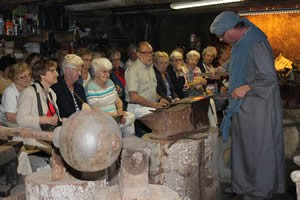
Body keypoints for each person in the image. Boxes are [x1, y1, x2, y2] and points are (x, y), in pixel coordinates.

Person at [210, 11, 285, 200]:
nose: (220, 39)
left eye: (221, 35)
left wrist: (247, 87)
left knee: (259, 151)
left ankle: (260, 191)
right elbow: (239, 59)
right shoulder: (240, 42)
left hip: (259, 107)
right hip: (244, 107)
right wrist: (222, 69)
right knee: (245, 150)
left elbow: (269, 79)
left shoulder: (256, 42)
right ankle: (246, 188)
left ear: (232, 29)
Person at [16, 59, 60, 174]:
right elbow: (21, 119)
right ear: (42, 75)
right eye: (53, 71)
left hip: (48, 137)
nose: (57, 74)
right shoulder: (29, 93)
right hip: (33, 138)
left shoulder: (52, 93)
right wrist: (44, 119)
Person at [85, 58, 135, 137]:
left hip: (116, 116)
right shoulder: (90, 87)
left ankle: (128, 143)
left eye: (108, 72)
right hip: (101, 119)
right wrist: (113, 115)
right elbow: (95, 110)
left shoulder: (110, 82)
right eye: (104, 71)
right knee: (127, 124)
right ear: (96, 72)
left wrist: (120, 111)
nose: (107, 74)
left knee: (131, 118)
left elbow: (118, 100)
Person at [125, 41, 169, 119]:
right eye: (145, 53)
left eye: (151, 52)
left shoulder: (150, 68)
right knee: (162, 117)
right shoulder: (133, 70)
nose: (149, 56)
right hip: (136, 107)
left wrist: (160, 99)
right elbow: (134, 97)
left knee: (170, 111)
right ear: (138, 54)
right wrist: (154, 105)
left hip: (149, 106)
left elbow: (150, 91)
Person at [51, 54, 86, 119]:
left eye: (80, 70)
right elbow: (64, 114)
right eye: (77, 70)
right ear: (67, 70)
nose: (80, 73)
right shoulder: (56, 89)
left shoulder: (80, 88)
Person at [1, 62, 32, 127]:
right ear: (15, 79)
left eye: (28, 75)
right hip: (7, 122)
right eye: (22, 77)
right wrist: (32, 122)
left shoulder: (32, 86)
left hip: (25, 119)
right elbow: (10, 117)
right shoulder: (10, 91)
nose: (27, 79)